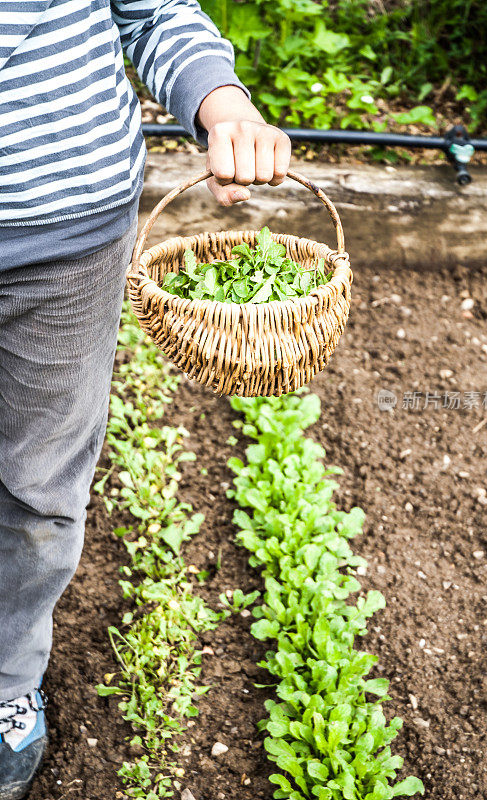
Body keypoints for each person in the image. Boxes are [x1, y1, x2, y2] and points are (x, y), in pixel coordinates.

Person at [0, 2, 291, 798]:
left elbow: (154, 10)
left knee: (37, 484)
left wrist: (220, 99)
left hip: (64, 239)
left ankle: (4, 680)